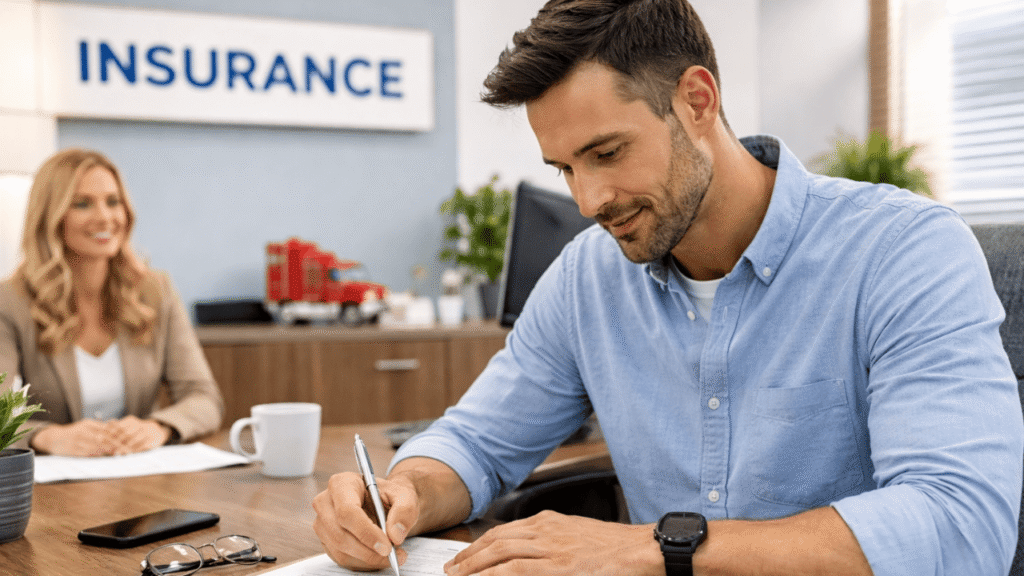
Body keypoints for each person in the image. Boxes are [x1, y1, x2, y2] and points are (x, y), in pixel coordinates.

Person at [312, 1, 1023, 574]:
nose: (588, 200)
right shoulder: (586, 278)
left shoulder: (902, 252)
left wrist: (656, 547)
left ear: (697, 100)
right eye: (564, 168)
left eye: (607, 153)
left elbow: (961, 527)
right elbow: (478, 443)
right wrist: (401, 495)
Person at [0, 148, 224, 457]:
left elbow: (204, 398)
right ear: (50, 216)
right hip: (53, 490)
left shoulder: (155, 291)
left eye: (113, 201)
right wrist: (48, 437)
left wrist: (159, 427)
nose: (105, 217)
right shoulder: (10, 302)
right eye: (82, 204)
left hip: (140, 480)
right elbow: (1, 416)